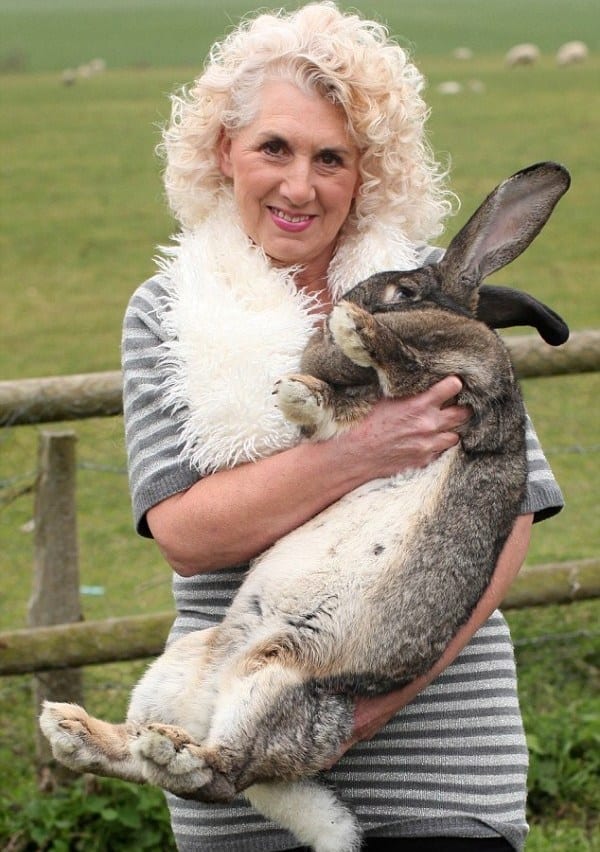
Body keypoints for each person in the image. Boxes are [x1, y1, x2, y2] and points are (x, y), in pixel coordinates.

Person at [121, 4, 563, 850]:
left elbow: (510, 511)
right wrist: (365, 448)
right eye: (273, 149)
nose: (300, 186)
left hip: (438, 746)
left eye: (333, 158)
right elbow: (186, 532)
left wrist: (369, 706)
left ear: (368, 172)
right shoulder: (167, 312)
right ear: (224, 152)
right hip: (234, 736)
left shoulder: (432, 303)